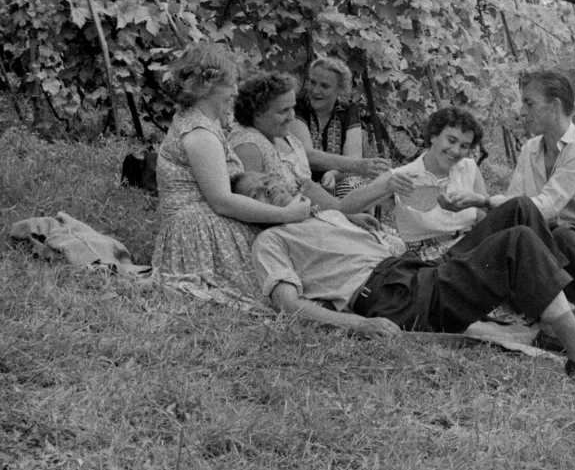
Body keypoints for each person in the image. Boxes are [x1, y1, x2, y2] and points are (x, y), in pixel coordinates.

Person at [236, 172, 575, 387]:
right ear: (250, 208)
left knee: (519, 209)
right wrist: (359, 325)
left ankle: (555, 323)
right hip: (393, 298)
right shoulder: (272, 239)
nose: (272, 185)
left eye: (272, 181)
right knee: (517, 243)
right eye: (260, 189)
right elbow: (289, 305)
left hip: (416, 273)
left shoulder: (324, 216)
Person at [445, 71, 575, 355]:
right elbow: (517, 203)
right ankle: (459, 276)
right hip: (551, 244)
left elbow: (544, 207)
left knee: (561, 232)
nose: (522, 111)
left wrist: (481, 200)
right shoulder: (530, 149)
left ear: (554, 106)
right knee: (524, 232)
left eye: (529, 103)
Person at [152, 44, 311, 296]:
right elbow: (223, 202)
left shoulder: (203, 121)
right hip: (196, 231)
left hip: (202, 222)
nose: (235, 91)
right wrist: (287, 215)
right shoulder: (199, 134)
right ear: (208, 88)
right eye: (230, 85)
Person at [230, 71, 416, 219]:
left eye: (292, 108)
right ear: (258, 113)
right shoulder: (248, 145)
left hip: (309, 222)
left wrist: (349, 217)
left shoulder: (288, 140)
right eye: (283, 111)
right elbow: (255, 211)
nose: (292, 116)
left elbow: (335, 205)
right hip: (287, 235)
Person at [392, 107, 488, 261]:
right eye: (451, 140)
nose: (456, 151)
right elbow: (350, 203)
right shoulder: (405, 175)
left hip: (469, 249)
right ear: (433, 136)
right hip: (428, 260)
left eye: (464, 146)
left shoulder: (469, 168)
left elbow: (483, 217)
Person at [288, 56, 390, 196]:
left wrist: (334, 174)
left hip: (336, 180)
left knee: (353, 187)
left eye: (324, 86)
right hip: (302, 183)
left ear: (339, 90)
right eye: (313, 82)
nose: (316, 90)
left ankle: (353, 215)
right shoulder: (297, 107)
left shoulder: (349, 110)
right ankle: (351, 215)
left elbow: (353, 158)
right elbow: (306, 156)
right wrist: (358, 165)